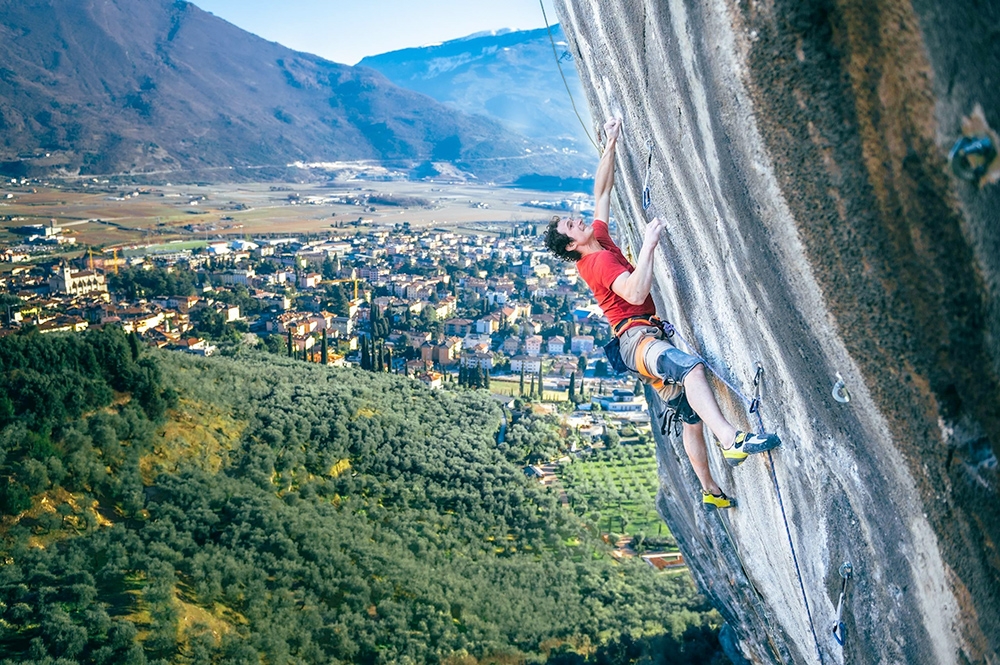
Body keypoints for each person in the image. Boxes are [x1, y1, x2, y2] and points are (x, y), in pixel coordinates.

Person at [544, 117, 780, 510]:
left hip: (637, 342)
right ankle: (732, 441)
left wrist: (610, 143)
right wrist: (649, 244)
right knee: (691, 370)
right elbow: (636, 291)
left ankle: (711, 492)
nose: (579, 220)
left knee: (690, 416)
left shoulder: (598, 240)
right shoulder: (597, 264)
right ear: (571, 245)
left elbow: (601, 190)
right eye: (572, 224)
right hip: (637, 340)